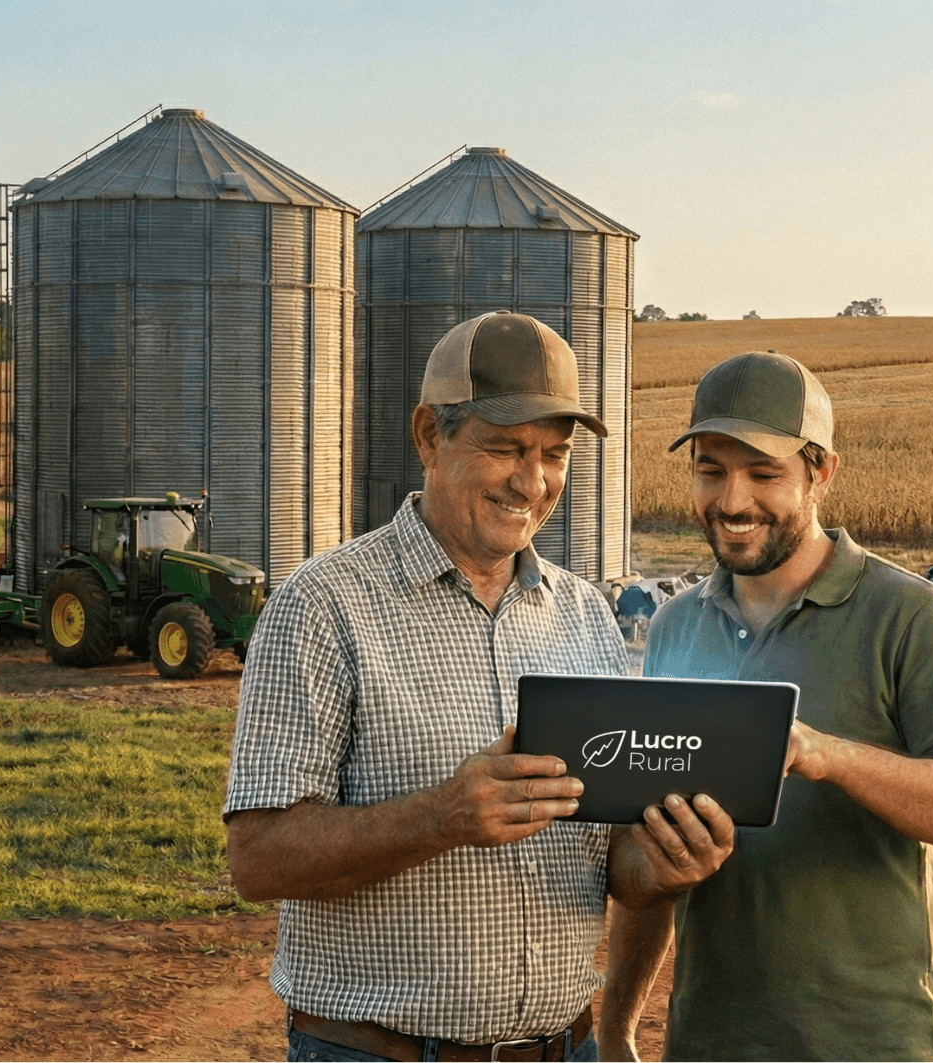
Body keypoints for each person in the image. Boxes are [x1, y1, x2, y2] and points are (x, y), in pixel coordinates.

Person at [225, 312, 734, 1063]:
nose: (533, 482)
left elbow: (611, 857)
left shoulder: (587, 616)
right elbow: (258, 858)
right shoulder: (325, 604)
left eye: (555, 455)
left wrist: (657, 868)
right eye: (505, 448)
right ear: (430, 436)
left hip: (565, 1047)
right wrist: (443, 816)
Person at [598, 351, 933, 1062]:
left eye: (763, 473)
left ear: (821, 472)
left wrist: (829, 755)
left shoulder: (909, 617)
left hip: (871, 1045)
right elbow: (654, 859)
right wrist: (616, 1026)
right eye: (711, 470)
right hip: (710, 1043)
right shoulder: (676, 626)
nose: (731, 502)